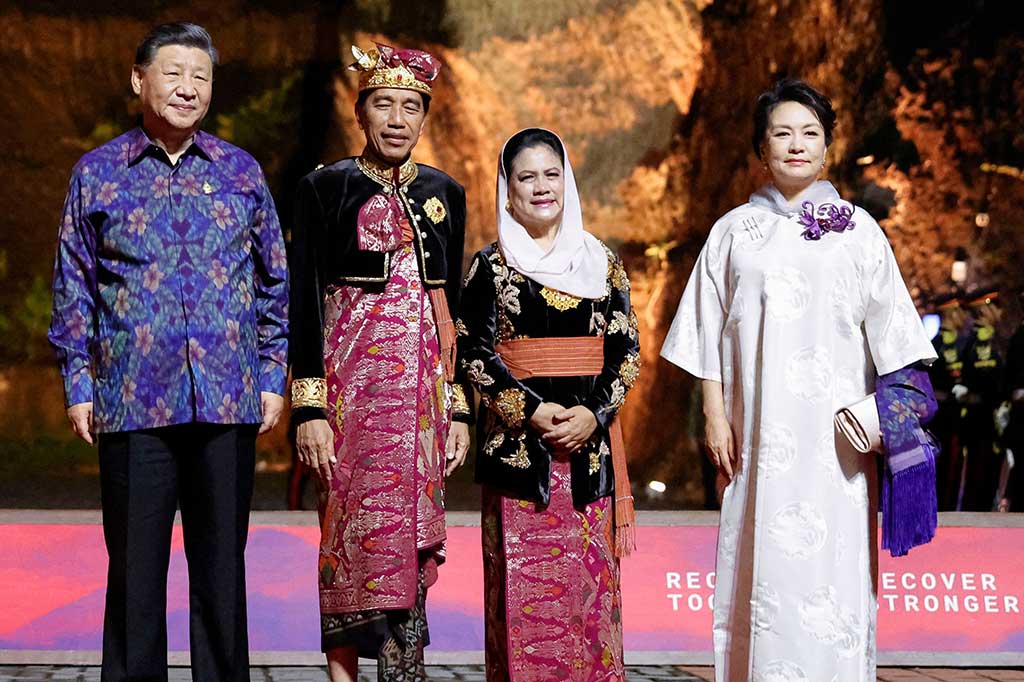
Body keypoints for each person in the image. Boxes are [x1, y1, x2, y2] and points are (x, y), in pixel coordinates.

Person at [661, 79, 936, 681]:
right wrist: (714, 413)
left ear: (827, 148)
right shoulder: (733, 232)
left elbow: (898, 343)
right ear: (761, 149)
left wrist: (887, 418)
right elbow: (706, 333)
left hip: (838, 447)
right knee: (758, 573)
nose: (796, 145)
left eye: (810, 133)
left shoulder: (859, 230)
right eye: (782, 133)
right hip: (755, 435)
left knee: (832, 584)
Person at [47, 22, 288, 682]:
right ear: (139, 79)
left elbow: (274, 276)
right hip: (132, 401)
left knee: (221, 578)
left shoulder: (240, 171)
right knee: (134, 579)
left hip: (226, 399)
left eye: (201, 77)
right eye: (174, 73)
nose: (187, 88)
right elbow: (75, 282)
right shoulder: (97, 174)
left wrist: (271, 370)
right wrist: (78, 381)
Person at [288, 43, 472, 682]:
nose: (397, 118)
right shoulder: (324, 187)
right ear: (360, 112)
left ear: (424, 119)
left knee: (410, 534)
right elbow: (304, 299)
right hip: (349, 397)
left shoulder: (446, 193)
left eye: (411, 107)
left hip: (421, 400)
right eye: (384, 104)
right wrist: (309, 407)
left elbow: (454, 318)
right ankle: (342, 675)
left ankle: (404, 670)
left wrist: (457, 410)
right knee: (346, 532)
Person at [458, 128, 640, 681]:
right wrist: (529, 410)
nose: (541, 187)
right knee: (523, 603)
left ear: (568, 181)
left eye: (552, 174)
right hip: (520, 458)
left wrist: (594, 415)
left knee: (590, 605)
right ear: (507, 191)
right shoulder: (489, 267)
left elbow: (626, 349)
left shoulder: (601, 261)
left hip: (590, 456)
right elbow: (470, 349)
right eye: (526, 177)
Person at [960, 290, 1005, 511]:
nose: (1000, 312)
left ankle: (985, 503)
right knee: (979, 465)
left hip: (992, 413)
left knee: (990, 466)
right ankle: (975, 506)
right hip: (979, 415)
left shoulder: (997, 338)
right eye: (995, 307)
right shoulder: (976, 341)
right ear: (986, 310)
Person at [928, 294, 969, 509]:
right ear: (951, 313)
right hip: (942, 419)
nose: (965, 316)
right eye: (960, 311)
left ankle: (946, 506)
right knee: (943, 468)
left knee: (951, 471)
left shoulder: (962, 345)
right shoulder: (936, 347)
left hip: (952, 419)